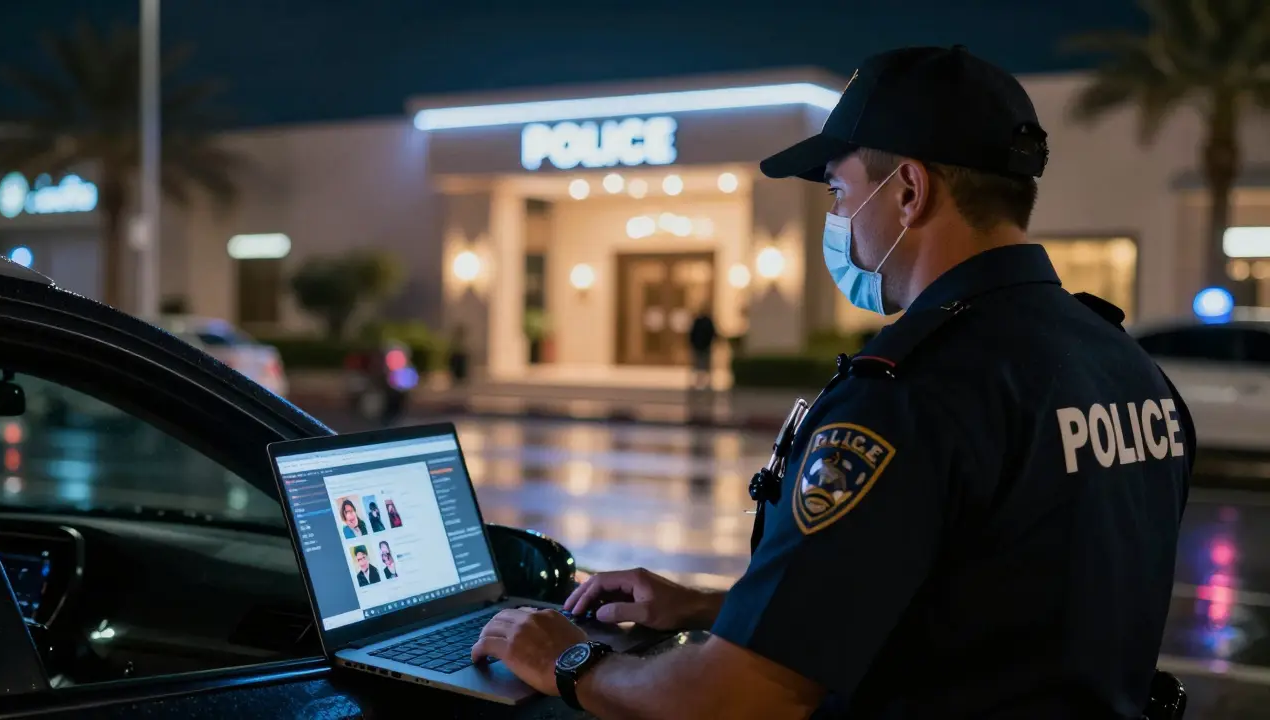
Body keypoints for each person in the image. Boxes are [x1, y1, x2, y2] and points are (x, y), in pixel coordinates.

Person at [470, 45, 1192, 719]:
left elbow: (738, 697)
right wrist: (721, 609)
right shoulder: (1128, 367)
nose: (838, 218)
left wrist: (567, 660)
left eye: (840, 191)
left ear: (908, 190)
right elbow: (984, 613)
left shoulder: (912, 394)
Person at [686, 306, 718, 391]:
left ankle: (702, 379)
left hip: (701, 345)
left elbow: (692, 333)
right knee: (702, 363)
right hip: (703, 345)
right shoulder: (706, 321)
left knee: (699, 362)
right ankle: (703, 379)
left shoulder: (700, 321)